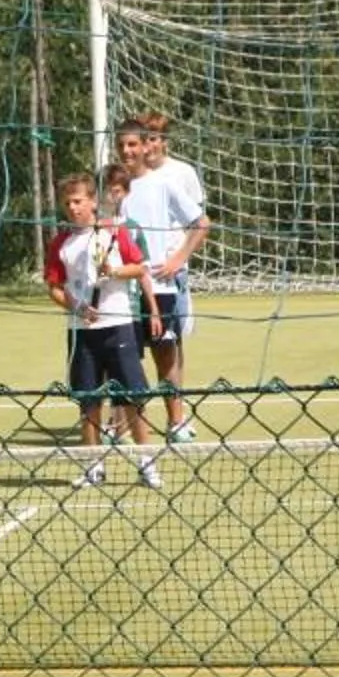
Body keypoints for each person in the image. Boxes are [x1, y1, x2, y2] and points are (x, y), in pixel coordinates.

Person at [46, 169, 164, 488]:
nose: (73, 207)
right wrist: (78, 306)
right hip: (82, 331)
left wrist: (113, 270)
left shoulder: (114, 232)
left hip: (118, 326)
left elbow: (140, 268)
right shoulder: (62, 242)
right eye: (68, 202)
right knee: (89, 401)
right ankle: (93, 465)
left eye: (79, 201)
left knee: (132, 397)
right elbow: (55, 287)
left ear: (92, 201)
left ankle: (147, 462)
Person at [118, 110, 212, 442]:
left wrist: (177, 258)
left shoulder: (165, 184)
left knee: (165, 353)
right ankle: (121, 426)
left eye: (132, 145)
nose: (127, 152)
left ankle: (176, 422)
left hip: (159, 285)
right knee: (121, 359)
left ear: (146, 147)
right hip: (121, 291)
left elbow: (201, 224)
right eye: (121, 146)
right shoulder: (114, 187)